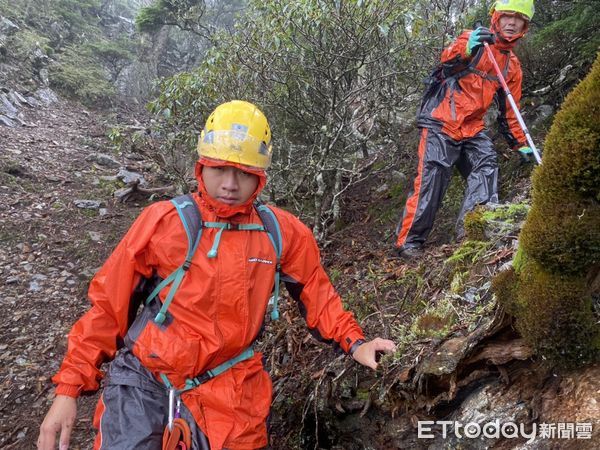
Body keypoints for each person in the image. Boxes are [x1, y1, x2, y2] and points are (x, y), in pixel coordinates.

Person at [37, 100, 396, 450]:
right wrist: (68, 389)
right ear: (201, 167)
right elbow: (107, 308)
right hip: (145, 382)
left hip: (233, 387)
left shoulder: (281, 233)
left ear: (260, 177)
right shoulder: (164, 223)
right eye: (220, 168)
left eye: (244, 173)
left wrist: (355, 342)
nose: (229, 183)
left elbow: (317, 295)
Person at [395, 0, 535, 258]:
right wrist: (467, 49)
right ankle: (409, 243)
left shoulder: (512, 66)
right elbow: (447, 59)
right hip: (441, 122)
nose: (512, 23)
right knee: (432, 179)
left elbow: (510, 110)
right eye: (508, 16)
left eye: (519, 19)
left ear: (525, 26)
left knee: (486, 164)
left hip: (472, 128)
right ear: (496, 17)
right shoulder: (474, 39)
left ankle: (472, 232)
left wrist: (521, 143)